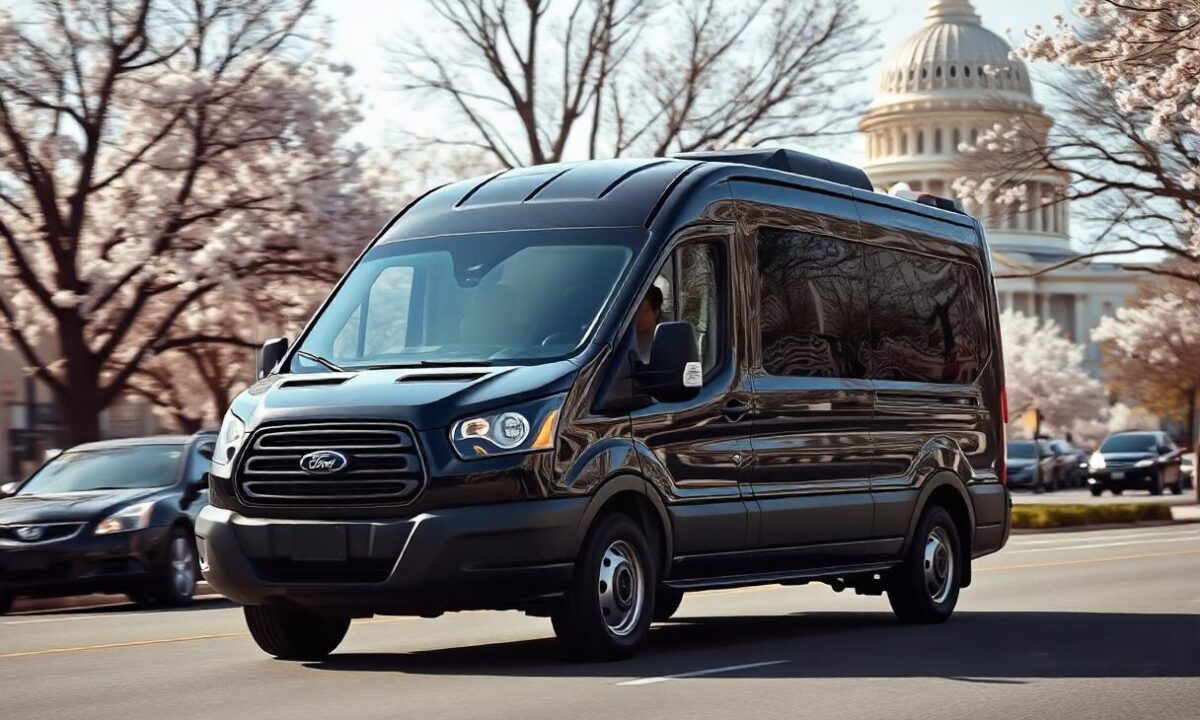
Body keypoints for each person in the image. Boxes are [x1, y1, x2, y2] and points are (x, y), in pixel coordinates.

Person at [635, 285, 663, 361]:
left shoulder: (663, 345)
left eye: (644, 311)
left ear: (656, 312)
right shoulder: (623, 344)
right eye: (635, 311)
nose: (638, 316)